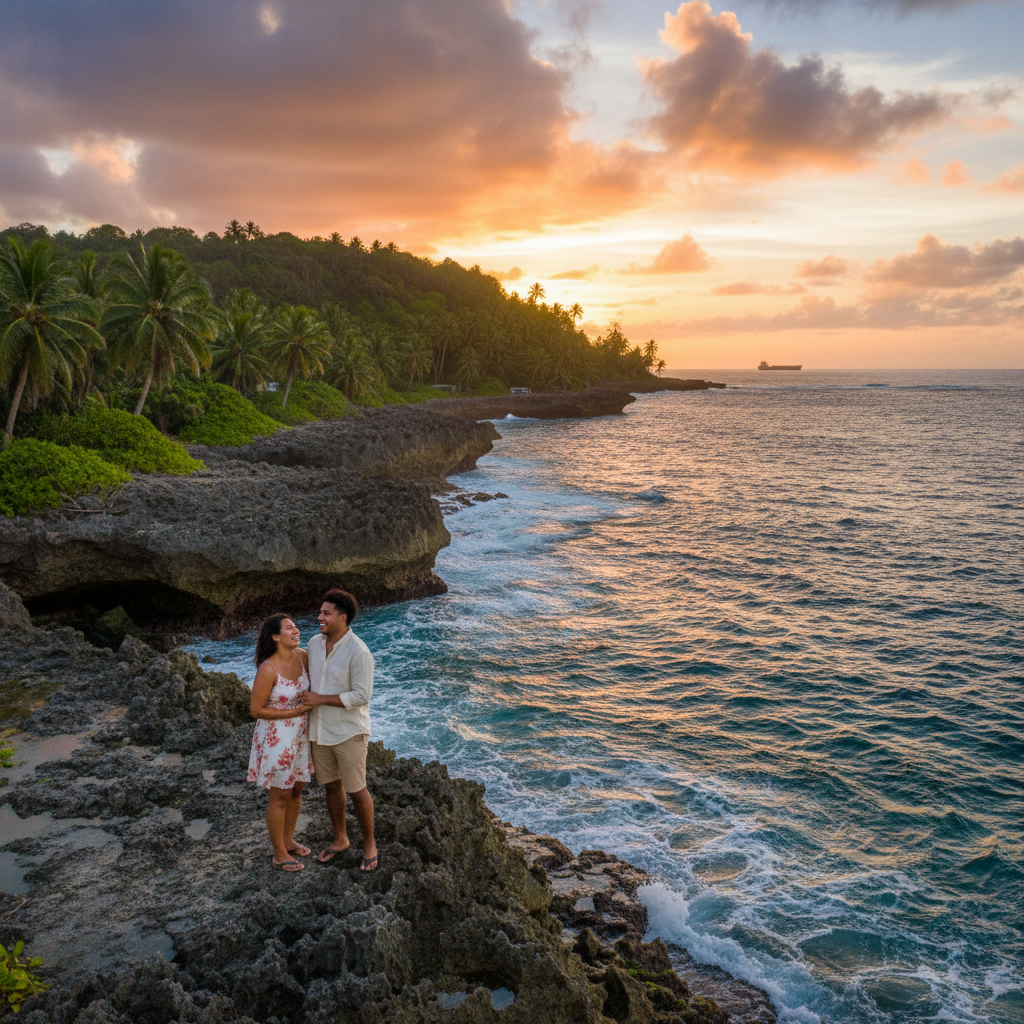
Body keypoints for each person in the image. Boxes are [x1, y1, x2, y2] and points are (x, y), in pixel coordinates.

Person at [297, 588, 378, 871]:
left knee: (357, 790)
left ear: (342, 618)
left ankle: (369, 843)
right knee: (332, 786)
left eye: (326, 613)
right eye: (320, 612)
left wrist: (320, 699)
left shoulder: (359, 652)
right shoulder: (313, 644)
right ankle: (341, 838)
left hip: (349, 732)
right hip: (319, 730)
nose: (319, 617)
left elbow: (361, 695)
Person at [247, 613, 314, 872]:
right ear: (275, 636)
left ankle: (288, 840)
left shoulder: (303, 656)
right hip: (277, 738)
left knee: (296, 789)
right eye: (289, 628)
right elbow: (256, 709)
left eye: (296, 627)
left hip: (299, 736)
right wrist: (291, 713)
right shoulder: (268, 668)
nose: (296, 631)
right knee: (280, 795)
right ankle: (278, 854)